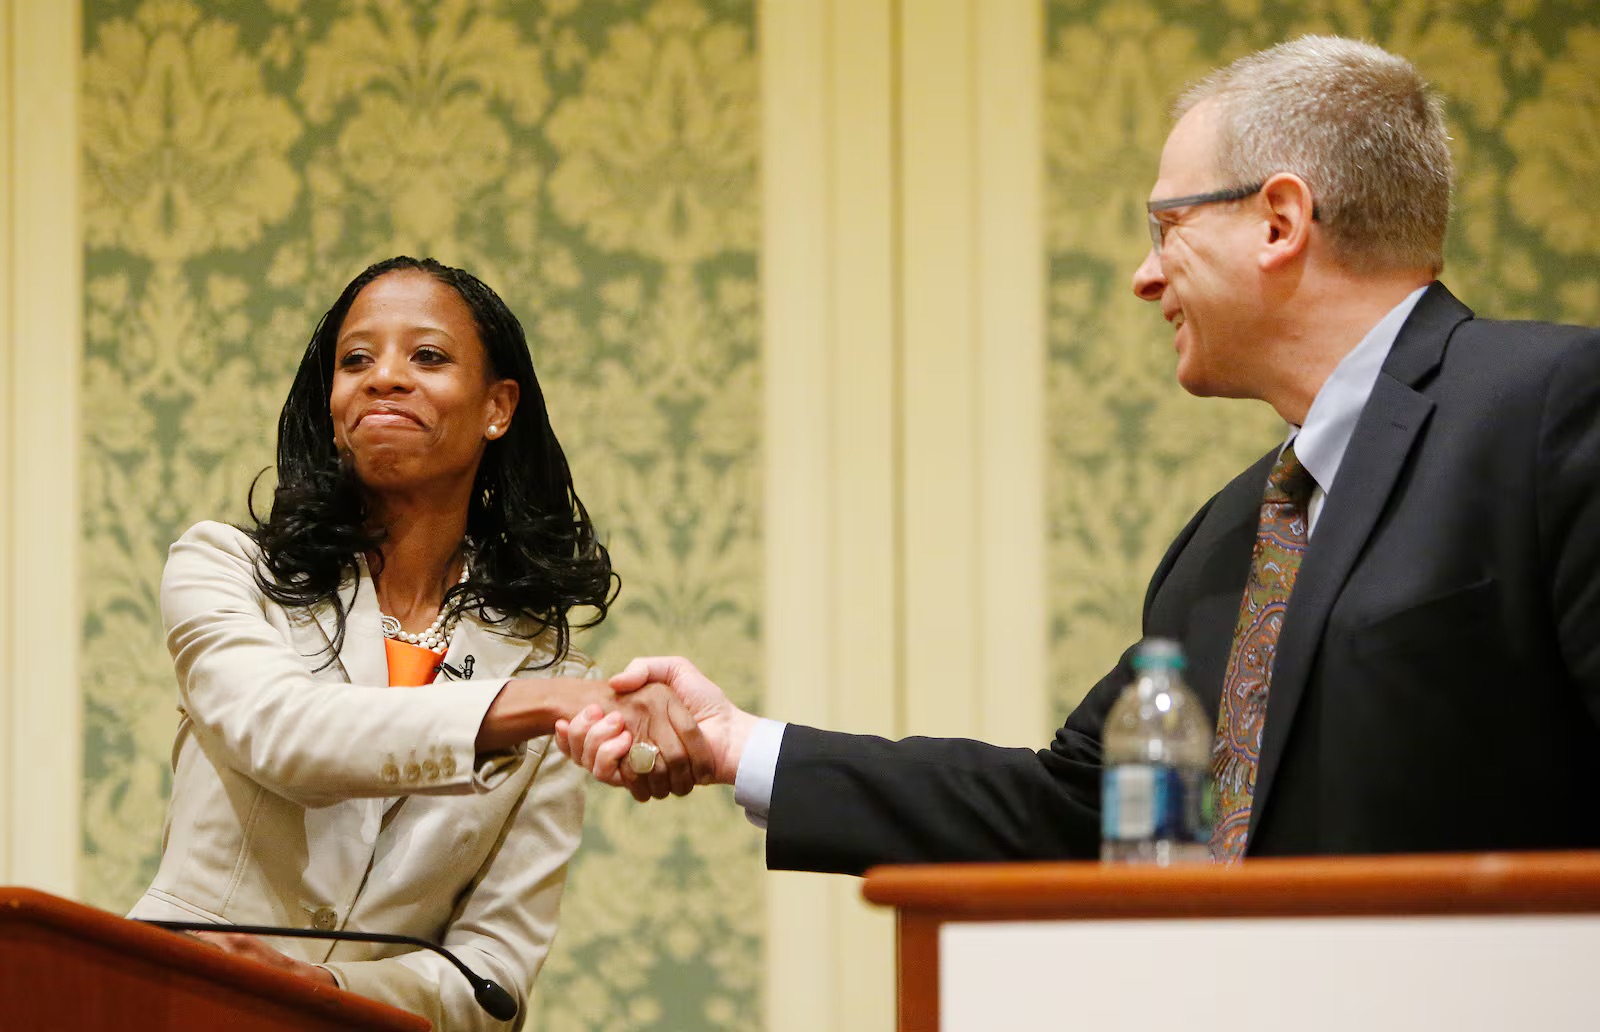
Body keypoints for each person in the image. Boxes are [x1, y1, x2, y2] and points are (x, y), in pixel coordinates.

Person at [557, 36, 1600, 873]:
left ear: (1278, 221)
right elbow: (1075, 809)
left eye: (1165, 227)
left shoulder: (1550, 408)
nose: (1144, 280)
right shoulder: (1229, 537)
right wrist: (739, 746)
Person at [128, 256, 711, 1030]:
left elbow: (491, 977)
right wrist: (535, 704)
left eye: (427, 356)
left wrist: (325, 992)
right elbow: (282, 732)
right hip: (164, 1004)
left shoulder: (546, 671)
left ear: (498, 407)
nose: (383, 378)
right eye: (355, 360)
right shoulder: (224, 567)